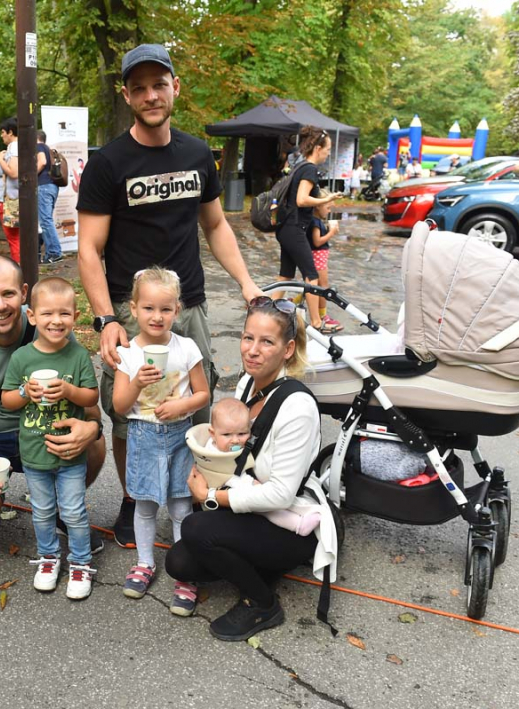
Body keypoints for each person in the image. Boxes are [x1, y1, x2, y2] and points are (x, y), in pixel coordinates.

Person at [77, 43, 261, 548]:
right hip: (130, 309)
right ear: (127, 96)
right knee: (128, 412)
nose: (151, 95)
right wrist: (105, 319)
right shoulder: (108, 163)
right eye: (139, 88)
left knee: (195, 403)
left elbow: (215, 225)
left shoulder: (198, 154)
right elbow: (89, 250)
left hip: (189, 304)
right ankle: (133, 498)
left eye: (159, 85)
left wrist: (247, 283)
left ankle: (194, 495)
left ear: (175, 87)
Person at [165, 298, 336, 640]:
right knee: (179, 563)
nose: (252, 350)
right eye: (248, 338)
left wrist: (211, 496)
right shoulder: (249, 382)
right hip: (254, 505)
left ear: (288, 349)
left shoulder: (297, 407)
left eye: (266, 342)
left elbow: (281, 494)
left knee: (196, 528)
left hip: (291, 521)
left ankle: (262, 603)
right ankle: (260, 566)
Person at [0, 255, 105, 551]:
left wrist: (93, 428)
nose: (0, 305)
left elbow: (89, 406)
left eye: (8, 293)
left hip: (46, 431)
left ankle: (60, 508)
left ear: (23, 293)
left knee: (94, 444)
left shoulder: (53, 327)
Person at [111, 268, 208, 612]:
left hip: (180, 435)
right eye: (148, 308)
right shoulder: (128, 353)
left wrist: (183, 404)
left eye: (165, 309)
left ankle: (185, 569)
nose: (157, 316)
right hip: (143, 436)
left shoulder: (187, 347)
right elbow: (119, 406)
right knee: (145, 505)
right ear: (133, 309)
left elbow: (203, 394)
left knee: (181, 506)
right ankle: (145, 562)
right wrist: (137, 382)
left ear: (177, 311)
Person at [1, 277, 99, 599]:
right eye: (47, 313)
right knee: (42, 510)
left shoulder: (78, 355)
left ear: (75, 316)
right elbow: (7, 400)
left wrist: (69, 390)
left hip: (71, 454)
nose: (56, 321)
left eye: (64, 313)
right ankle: (48, 557)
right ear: (31, 316)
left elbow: (91, 397)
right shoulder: (21, 358)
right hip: (34, 452)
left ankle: (81, 562)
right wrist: (24, 392)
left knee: (73, 511)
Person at [203, 397, 320, 537]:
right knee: (267, 510)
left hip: (234, 487)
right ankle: (298, 525)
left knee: (269, 504)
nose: (235, 440)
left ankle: (301, 515)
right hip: (228, 488)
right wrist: (253, 484)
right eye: (227, 434)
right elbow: (229, 476)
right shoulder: (214, 453)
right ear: (212, 433)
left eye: (242, 433)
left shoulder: (224, 444)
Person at [274, 125, 340, 334]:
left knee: (285, 275)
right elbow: (302, 199)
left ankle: (265, 312)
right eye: (327, 149)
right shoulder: (309, 169)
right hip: (294, 229)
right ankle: (317, 322)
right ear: (318, 148)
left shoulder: (299, 165)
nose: (328, 154)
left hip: (286, 228)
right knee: (311, 276)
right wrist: (326, 199)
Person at [307, 201, 342, 330]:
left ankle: (296, 301)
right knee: (322, 287)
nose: (329, 211)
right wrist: (331, 233)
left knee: (316, 285)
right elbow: (317, 242)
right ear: (317, 206)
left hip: (319, 256)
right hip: (318, 256)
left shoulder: (316, 221)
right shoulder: (315, 222)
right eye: (327, 208)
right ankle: (323, 316)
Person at [0, 118, 21, 262]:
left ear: (10, 132)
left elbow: (13, 172)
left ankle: (18, 266)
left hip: (14, 199)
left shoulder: (13, 147)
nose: (1, 135)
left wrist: (0, 160)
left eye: (3, 132)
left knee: (13, 237)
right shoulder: (23, 145)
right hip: (19, 196)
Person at [36, 130, 63, 264]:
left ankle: (54, 252)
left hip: (44, 186)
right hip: (52, 186)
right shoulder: (48, 149)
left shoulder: (39, 147)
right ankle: (46, 253)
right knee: (44, 220)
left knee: (45, 220)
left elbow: (42, 162)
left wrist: (31, 175)